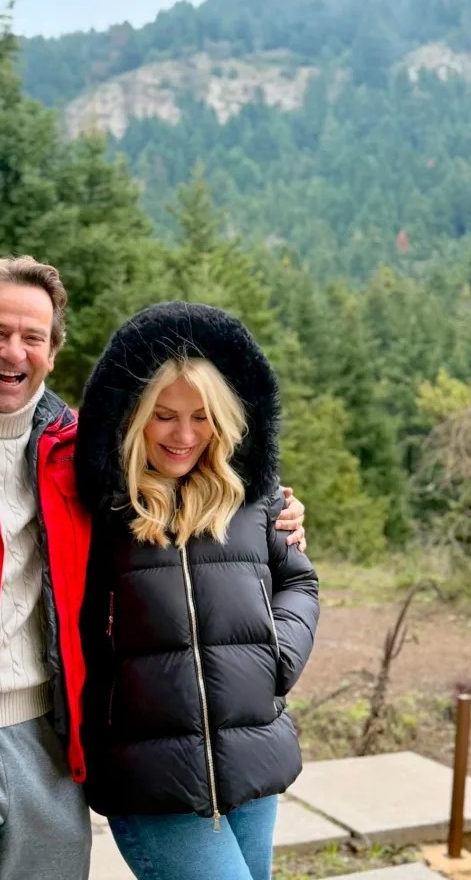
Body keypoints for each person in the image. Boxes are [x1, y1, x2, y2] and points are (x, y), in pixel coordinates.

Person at [0, 256, 307, 880]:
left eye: (33, 337)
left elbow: (185, 502)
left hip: (52, 747)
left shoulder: (78, 454)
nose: (12, 351)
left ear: (52, 352)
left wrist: (279, 513)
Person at [75, 301, 320, 880]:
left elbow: (298, 580)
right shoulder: (97, 510)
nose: (184, 435)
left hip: (251, 762)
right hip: (151, 779)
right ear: (136, 416)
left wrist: (277, 655)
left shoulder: (254, 499)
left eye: (201, 416)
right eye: (164, 416)